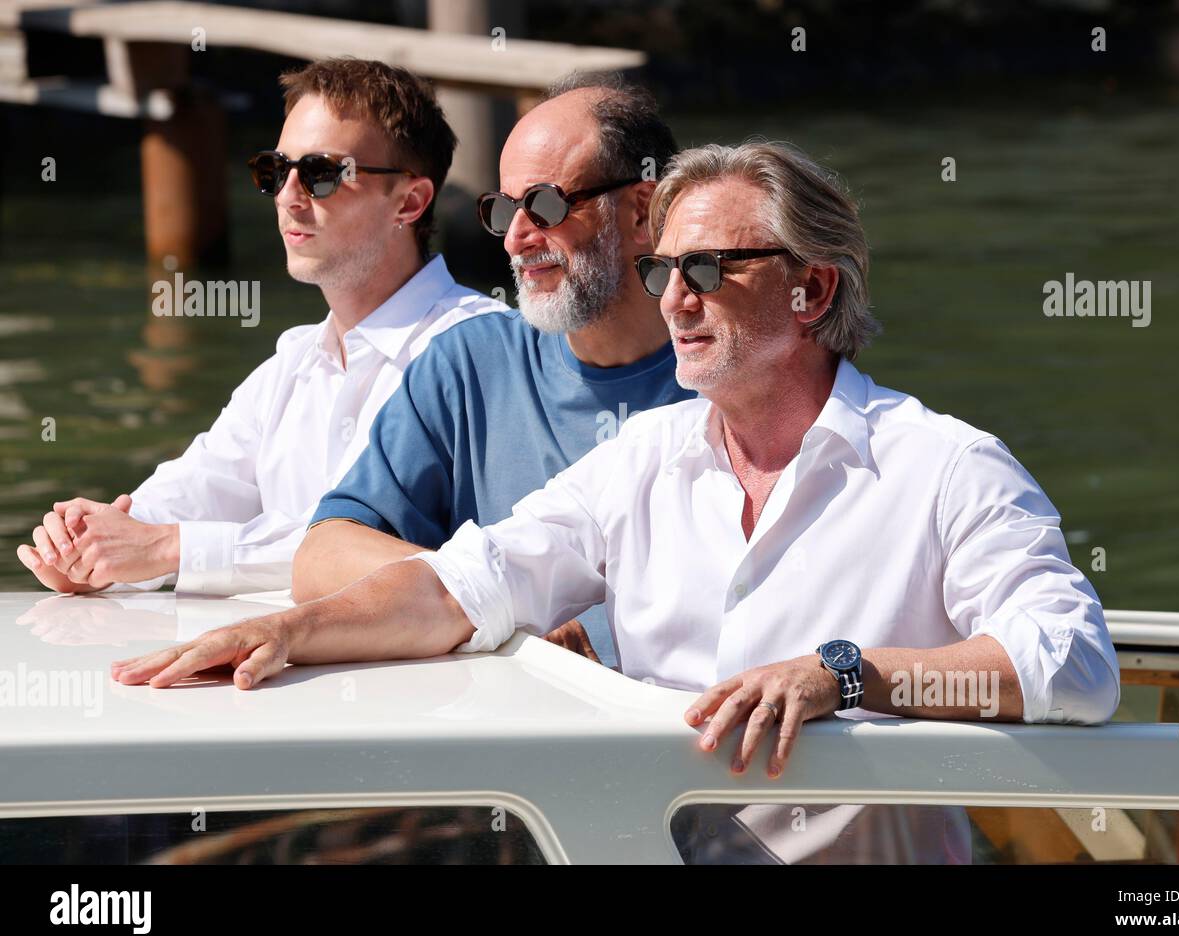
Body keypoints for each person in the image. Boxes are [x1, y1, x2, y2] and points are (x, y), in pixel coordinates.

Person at [113, 141, 1120, 863]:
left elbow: (1071, 667)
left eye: (708, 271)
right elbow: (473, 583)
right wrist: (288, 632)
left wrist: (844, 678)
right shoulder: (641, 460)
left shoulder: (945, 466)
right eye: (660, 269)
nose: (673, 298)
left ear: (812, 292)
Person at [15, 57, 507, 597]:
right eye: (274, 170)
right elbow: (189, 492)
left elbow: (392, 551)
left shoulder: (483, 353)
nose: (288, 196)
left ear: (409, 201)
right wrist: (89, 544)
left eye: (321, 174)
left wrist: (162, 549)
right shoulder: (291, 363)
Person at [293, 73, 691, 666]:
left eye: (546, 205)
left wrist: (591, 630)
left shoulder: (730, 382)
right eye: (503, 211)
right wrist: (487, 597)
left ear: (642, 211)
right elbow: (322, 557)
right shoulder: (467, 365)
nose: (516, 240)